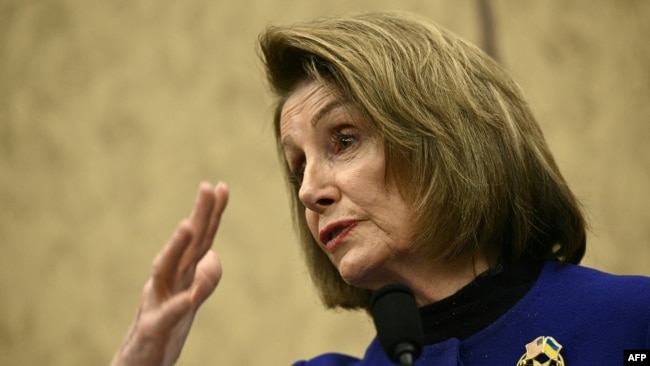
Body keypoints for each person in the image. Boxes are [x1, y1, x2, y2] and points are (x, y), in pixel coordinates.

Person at [111, 11, 650, 366]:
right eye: (297, 165)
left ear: (446, 139)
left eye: (343, 140)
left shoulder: (631, 322)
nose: (308, 191)